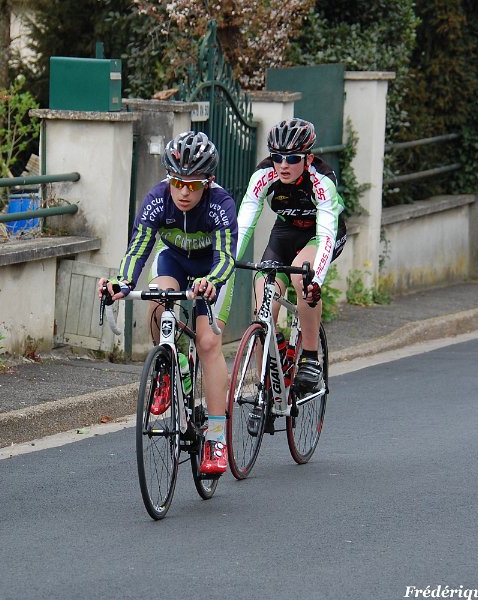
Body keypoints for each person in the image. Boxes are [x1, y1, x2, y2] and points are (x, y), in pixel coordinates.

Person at [97, 131, 237, 474]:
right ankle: (169, 368)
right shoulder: (157, 199)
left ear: (208, 182)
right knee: (158, 298)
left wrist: (212, 282)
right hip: (173, 260)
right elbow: (138, 248)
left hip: (210, 271)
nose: (183, 192)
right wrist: (121, 283)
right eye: (177, 182)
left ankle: (216, 438)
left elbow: (226, 257)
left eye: (193, 185)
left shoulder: (220, 204)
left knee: (207, 343)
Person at [234, 118, 347, 393]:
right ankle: (265, 383)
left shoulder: (322, 179)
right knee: (263, 300)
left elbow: (327, 233)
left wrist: (316, 281)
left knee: (302, 276)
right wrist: (225, 262)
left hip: (320, 233)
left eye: (293, 158)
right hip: (285, 231)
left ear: (308, 158)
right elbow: (244, 224)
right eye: (277, 157)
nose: (283, 165)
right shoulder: (264, 175)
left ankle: (310, 358)